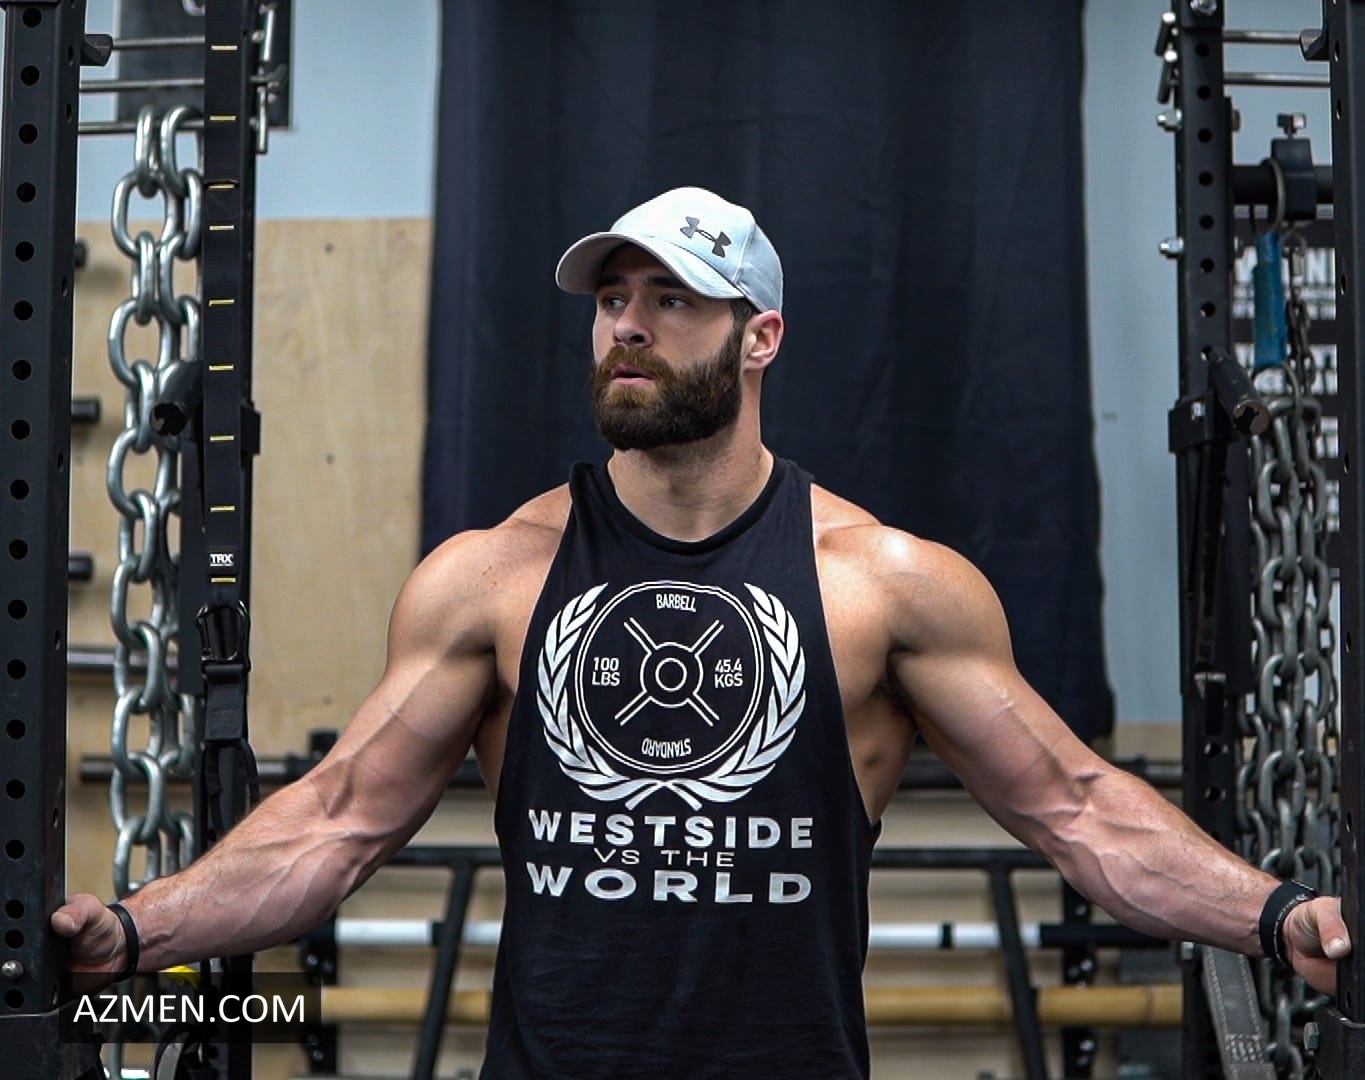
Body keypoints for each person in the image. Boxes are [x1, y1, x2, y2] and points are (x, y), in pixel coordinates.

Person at [55, 186, 1350, 1078]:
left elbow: (1077, 809)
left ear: (758, 335)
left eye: (673, 298)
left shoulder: (885, 585)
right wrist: (136, 928)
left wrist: (1275, 912)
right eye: (613, 297)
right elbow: (337, 821)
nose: (627, 323)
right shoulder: (490, 579)